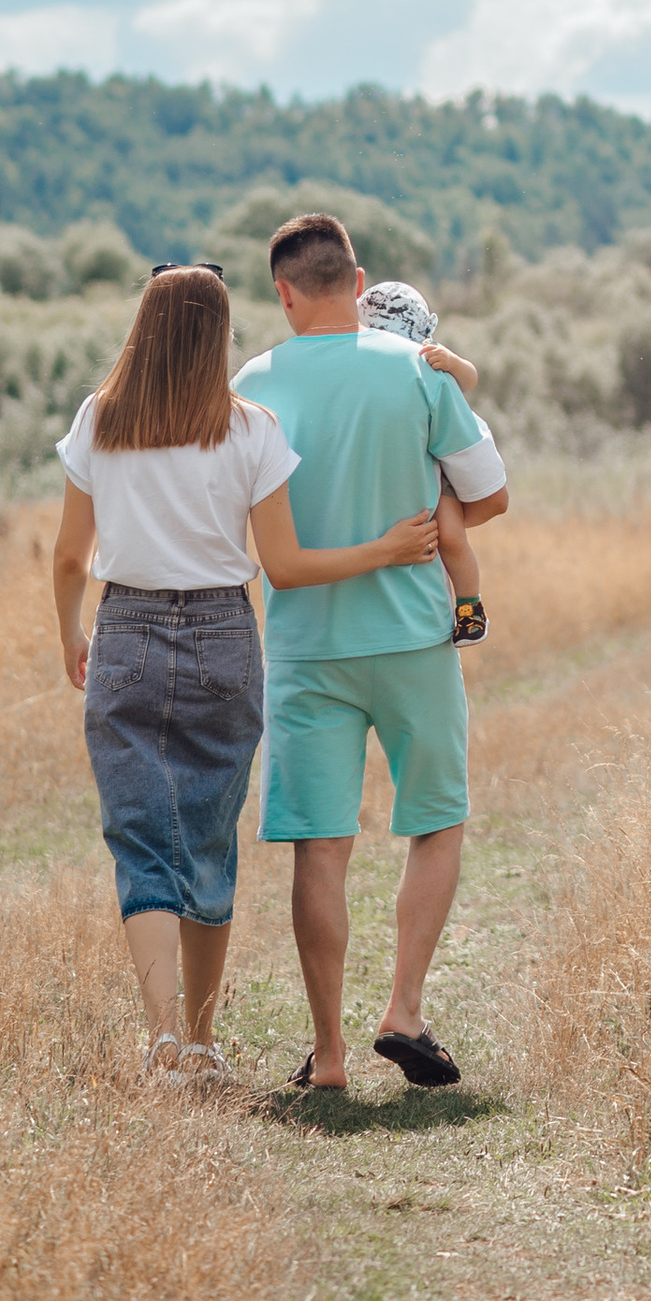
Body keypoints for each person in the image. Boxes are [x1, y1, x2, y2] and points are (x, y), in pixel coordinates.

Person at [51, 261, 439, 1085]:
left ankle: (161, 1040)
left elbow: (66, 557)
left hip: (126, 629)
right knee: (206, 836)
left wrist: (71, 632)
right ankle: (200, 1041)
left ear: (142, 328)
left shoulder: (100, 419)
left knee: (141, 840)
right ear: (220, 335)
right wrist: (387, 551)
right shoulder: (251, 427)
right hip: (226, 633)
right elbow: (286, 565)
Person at [235, 212, 510, 1094]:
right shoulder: (418, 370)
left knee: (319, 846)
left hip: (308, 646)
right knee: (436, 820)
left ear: (282, 294)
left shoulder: (250, 385)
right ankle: (403, 1010)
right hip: (413, 638)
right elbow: (491, 494)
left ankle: (328, 1058)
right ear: (358, 284)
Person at [355, 276, 489, 643]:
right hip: (406, 461)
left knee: (451, 537)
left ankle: (469, 606)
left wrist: (452, 362)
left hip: (440, 464)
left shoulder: (430, 354)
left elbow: (471, 379)